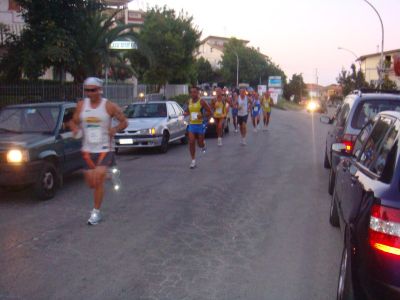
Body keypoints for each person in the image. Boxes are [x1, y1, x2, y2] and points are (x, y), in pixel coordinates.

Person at [70, 77, 128, 225]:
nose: (90, 93)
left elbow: (124, 122)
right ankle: (107, 173)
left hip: (104, 148)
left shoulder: (109, 106)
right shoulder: (81, 105)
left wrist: (114, 129)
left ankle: (96, 212)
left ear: (100, 90)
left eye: (93, 90)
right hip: (87, 150)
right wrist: (74, 129)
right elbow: (73, 121)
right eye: (87, 90)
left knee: (98, 179)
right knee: (91, 183)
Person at [184, 86, 211, 169]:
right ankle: (193, 161)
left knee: (200, 144)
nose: (193, 94)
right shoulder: (189, 101)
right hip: (192, 125)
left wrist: (202, 115)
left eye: (194, 92)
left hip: (200, 125)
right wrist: (186, 113)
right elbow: (188, 111)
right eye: (191, 92)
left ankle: (203, 145)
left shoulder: (202, 101)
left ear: (198, 93)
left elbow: (210, 112)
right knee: (191, 141)